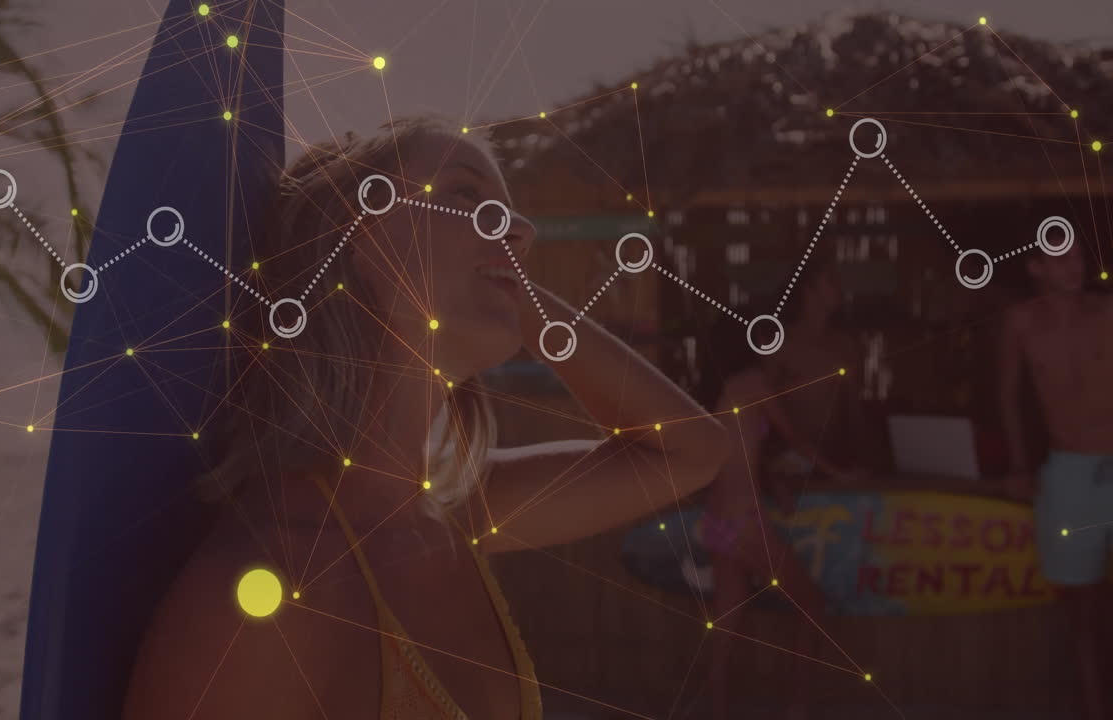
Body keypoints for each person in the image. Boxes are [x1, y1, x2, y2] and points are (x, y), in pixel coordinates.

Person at [119, 116, 732, 719]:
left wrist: (503, 279)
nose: (521, 230)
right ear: (357, 237)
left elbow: (692, 453)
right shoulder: (268, 595)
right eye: (468, 195)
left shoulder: (454, 513)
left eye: (511, 212)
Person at [696, 316, 852, 720]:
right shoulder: (753, 383)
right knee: (813, 604)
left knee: (726, 626)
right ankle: (797, 709)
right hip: (744, 520)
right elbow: (795, 437)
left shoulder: (723, 389)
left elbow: (740, 449)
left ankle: (718, 712)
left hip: (716, 520)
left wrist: (774, 479)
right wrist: (841, 474)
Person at [999, 244, 1113, 720]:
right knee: (1081, 609)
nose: (1075, 267)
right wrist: (1020, 466)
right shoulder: (1020, 323)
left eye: (1078, 258)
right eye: (1061, 259)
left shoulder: (1108, 311)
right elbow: (1008, 398)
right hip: (1068, 471)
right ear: (1035, 267)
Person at [763, 254, 875, 479]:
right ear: (808, 289)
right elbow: (763, 411)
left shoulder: (845, 346)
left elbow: (854, 411)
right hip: (788, 464)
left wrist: (864, 460)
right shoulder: (781, 345)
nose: (839, 288)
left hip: (833, 458)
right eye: (831, 280)